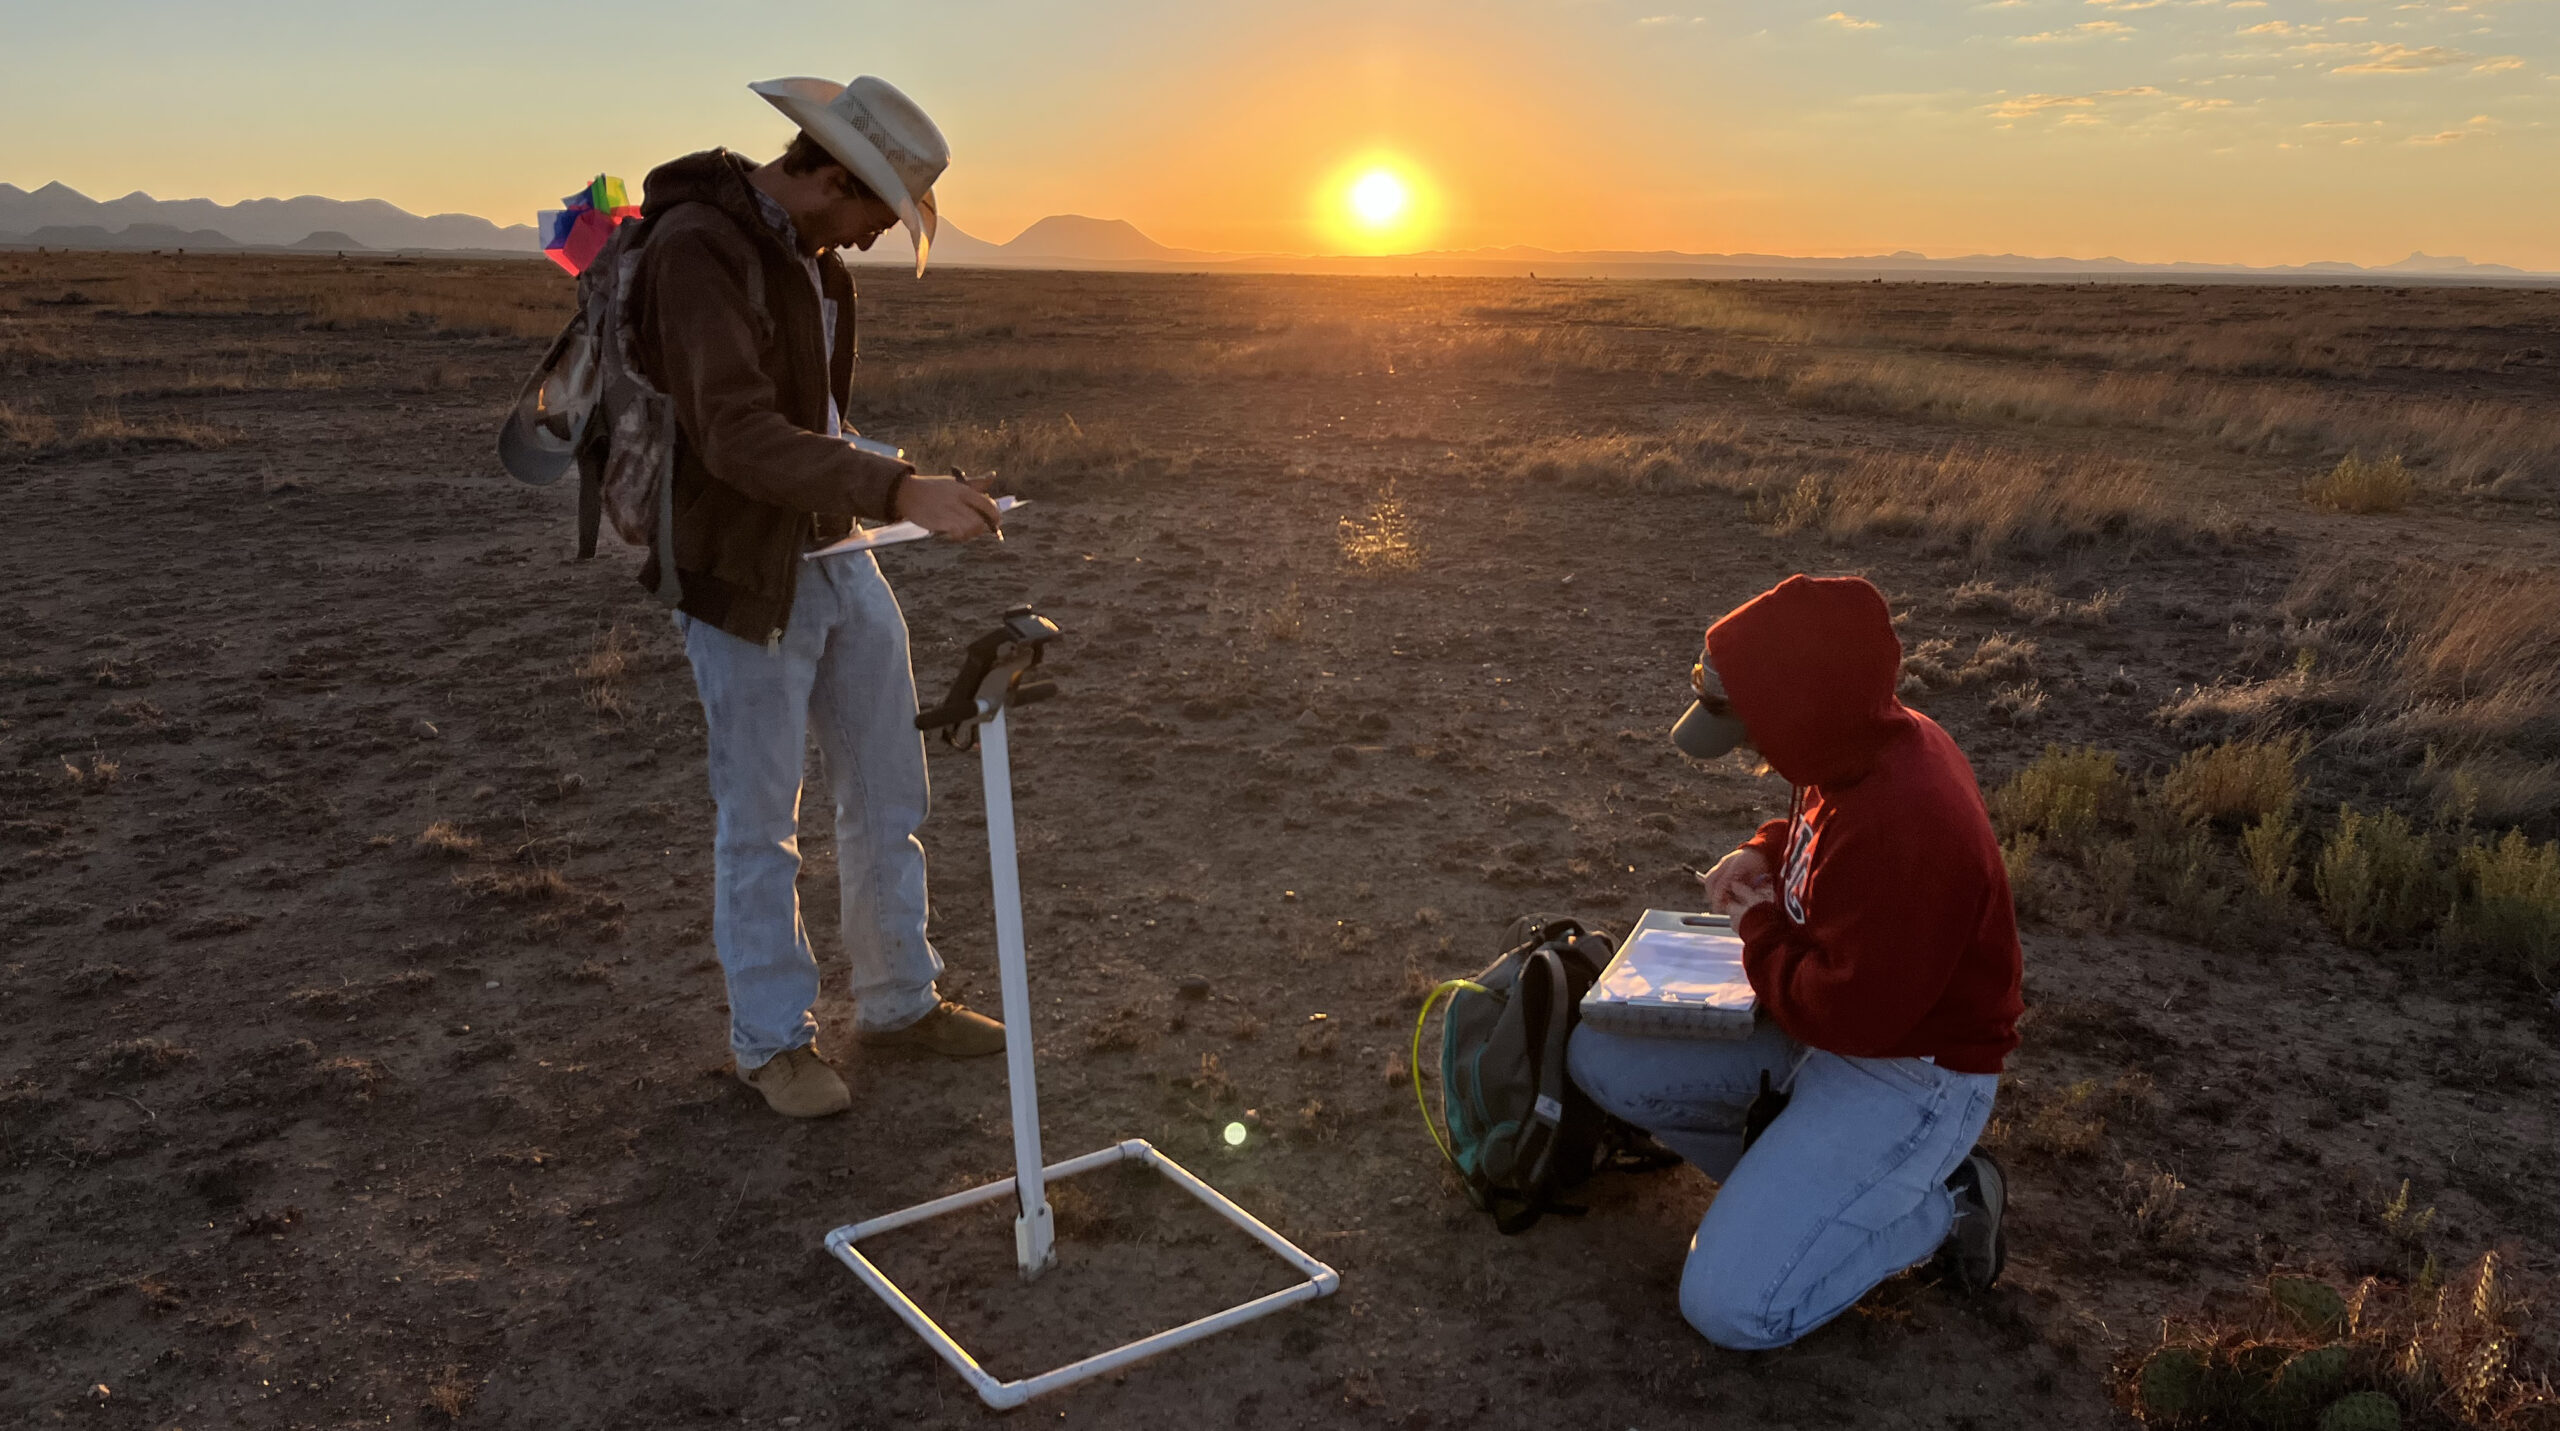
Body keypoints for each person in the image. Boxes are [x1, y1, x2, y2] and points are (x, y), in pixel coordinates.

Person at [631, 75, 1009, 1119]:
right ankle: (771, 1041)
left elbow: (815, 425)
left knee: (888, 795)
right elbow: (738, 437)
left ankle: (899, 999)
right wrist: (895, 489)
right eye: (875, 214)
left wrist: (899, 491)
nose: (878, 239)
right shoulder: (695, 250)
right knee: (761, 822)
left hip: (838, 555)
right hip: (743, 576)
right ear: (831, 174)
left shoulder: (812, 265)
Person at [1567, 573, 2024, 1349]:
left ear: (1802, 710)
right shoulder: (1853, 743)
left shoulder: (1911, 824)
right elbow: (1817, 839)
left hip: (1911, 1072)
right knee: (1601, 1054)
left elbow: (1844, 1010)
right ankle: (1802, 1196)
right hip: (1829, 1027)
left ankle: (1946, 1205)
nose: (1749, 747)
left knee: (1732, 1307)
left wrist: (1760, 928)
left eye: (1752, 727)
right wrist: (1762, 852)